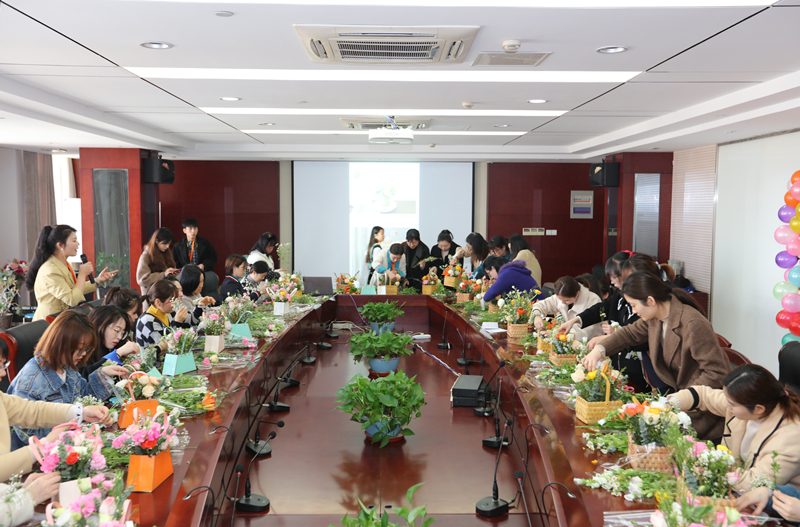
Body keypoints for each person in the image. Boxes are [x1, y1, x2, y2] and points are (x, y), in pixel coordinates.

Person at [581, 271, 731, 439]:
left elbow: (716, 373)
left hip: (699, 409)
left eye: (634, 305)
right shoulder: (656, 317)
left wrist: (683, 398)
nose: (633, 311)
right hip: (673, 401)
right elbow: (628, 334)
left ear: (651, 301)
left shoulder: (692, 323)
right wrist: (600, 349)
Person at [668, 365, 800, 499]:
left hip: (770, 505)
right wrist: (670, 404)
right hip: (733, 490)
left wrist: (707, 465)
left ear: (758, 409)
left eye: (731, 403)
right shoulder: (747, 405)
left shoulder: (789, 438)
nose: (726, 405)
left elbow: (755, 483)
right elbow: (702, 395)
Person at [8, 311, 127, 449]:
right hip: (43, 455)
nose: (83, 354)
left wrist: (103, 374)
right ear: (62, 343)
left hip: (71, 444)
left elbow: (83, 396)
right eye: (80, 349)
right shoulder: (30, 381)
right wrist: (74, 423)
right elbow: (27, 434)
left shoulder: (66, 366)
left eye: (87, 349)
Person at [0, 341, 111, 482]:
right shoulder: (31, 377)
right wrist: (45, 444)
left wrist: (80, 412)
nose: (3, 372)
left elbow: (32, 410)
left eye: (3, 364)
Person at [558, 252, 650, 392]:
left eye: (614, 277)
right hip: (617, 365)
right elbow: (600, 309)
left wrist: (612, 335)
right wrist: (575, 320)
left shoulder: (644, 305)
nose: (612, 282)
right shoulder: (618, 295)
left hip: (637, 370)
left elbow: (637, 334)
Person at [27, 225, 118, 321]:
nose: (78, 244)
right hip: (47, 321)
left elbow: (75, 289)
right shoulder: (51, 270)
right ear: (60, 245)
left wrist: (98, 280)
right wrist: (82, 274)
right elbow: (72, 299)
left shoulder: (64, 264)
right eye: (74, 241)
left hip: (60, 319)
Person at [531, 276, 603, 340]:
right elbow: (542, 305)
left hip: (591, 343)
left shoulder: (593, 300)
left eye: (566, 300)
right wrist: (537, 315)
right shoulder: (562, 295)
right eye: (560, 299)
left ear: (577, 293)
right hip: (568, 342)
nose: (562, 302)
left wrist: (555, 334)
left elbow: (584, 334)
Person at [83, 306, 139, 376]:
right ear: (100, 325)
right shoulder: (82, 350)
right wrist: (117, 354)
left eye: (122, 333)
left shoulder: (108, 348)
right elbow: (85, 376)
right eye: (117, 330)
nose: (120, 337)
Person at [135, 280, 190, 349]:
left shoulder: (167, 312)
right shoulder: (148, 321)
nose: (175, 303)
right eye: (172, 300)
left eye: (176, 299)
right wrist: (177, 323)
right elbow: (165, 346)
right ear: (158, 303)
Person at [136, 228, 179, 296]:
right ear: (156, 240)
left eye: (169, 244)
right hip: (152, 296)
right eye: (164, 243)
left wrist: (173, 273)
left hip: (167, 294)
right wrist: (164, 275)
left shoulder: (167, 253)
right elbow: (142, 279)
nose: (167, 246)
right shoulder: (146, 256)